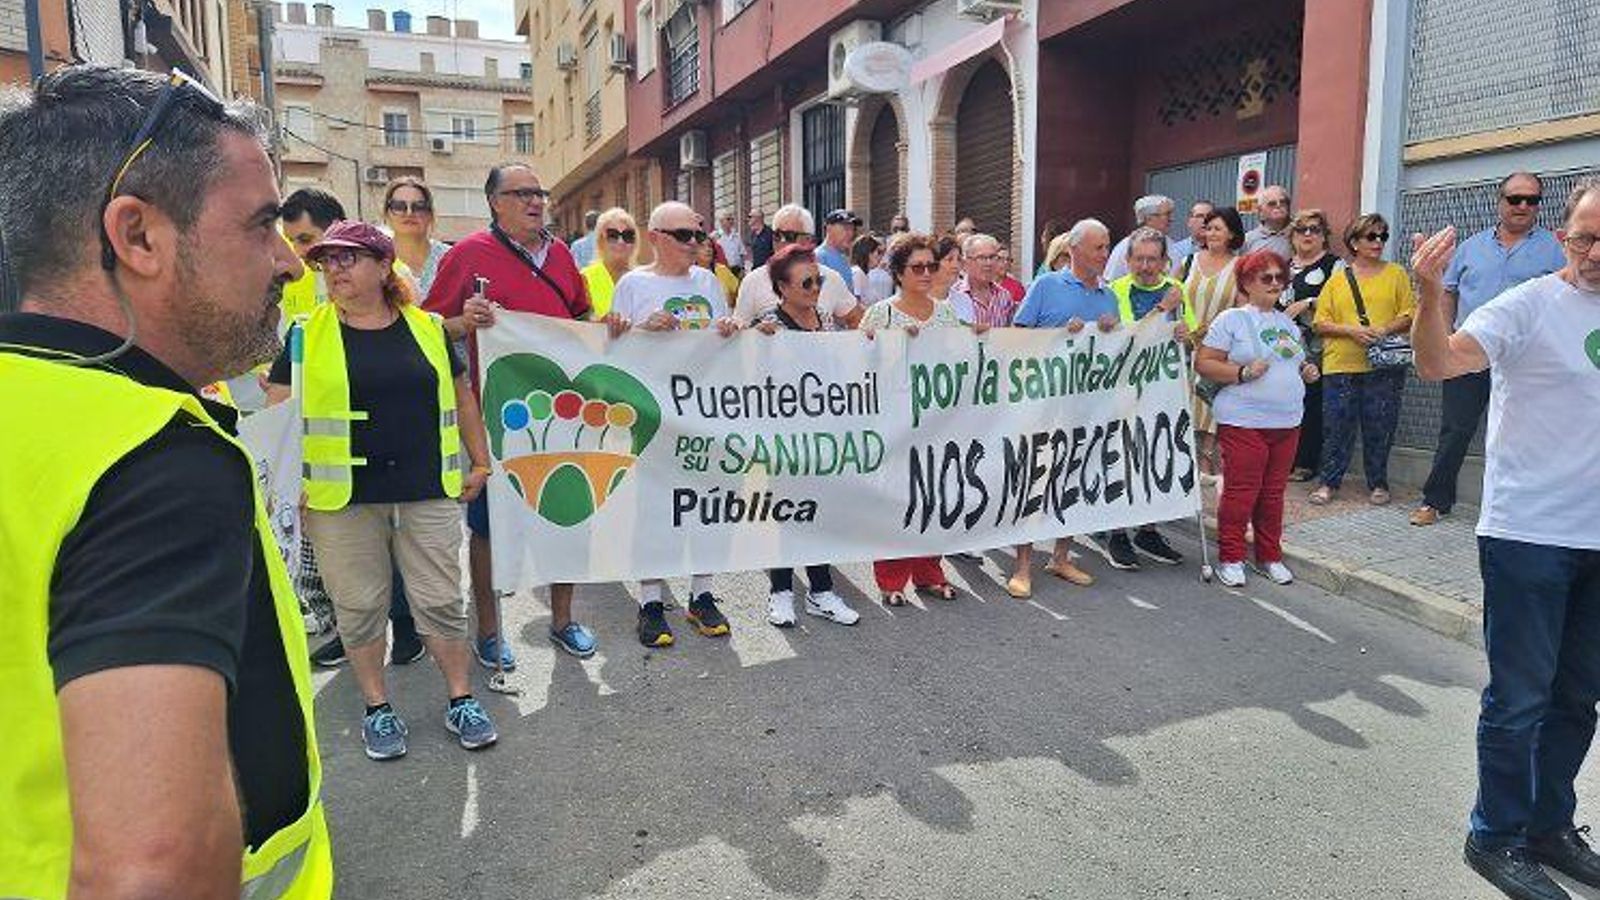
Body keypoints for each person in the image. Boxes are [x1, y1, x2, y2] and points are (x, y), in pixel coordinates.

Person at [0, 63, 331, 896]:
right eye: (261, 226)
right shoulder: (152, 458)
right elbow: (152, 870)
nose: (291, 264)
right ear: (137, 236)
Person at [1411, 179, 1600, 900]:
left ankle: (1550, 826)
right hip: (1529, 535)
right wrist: (1430, 294)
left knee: (1578, 697)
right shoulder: (1528, 306)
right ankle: (1494, 836)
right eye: (1583, 237)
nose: (1592, 253)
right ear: (1561, 234)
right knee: (1521, 698)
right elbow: (1437, 363)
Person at [266, 222, 497, 760]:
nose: (334, 270)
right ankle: (377, 706)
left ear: (382, 265)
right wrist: (285, 485)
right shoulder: (304, 335)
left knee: (440, 600)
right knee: (360, 606)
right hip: (341, 500)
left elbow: (462, 397)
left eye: (349, 258)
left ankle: (460, 698)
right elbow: (279, 413)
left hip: (426, 489)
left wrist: (481, 460)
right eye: (328, 261)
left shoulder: (428, 328)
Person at [423, 162, 596, 665]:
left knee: (569, 515)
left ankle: (563, 619)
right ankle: (491, 632)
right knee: (489, 527)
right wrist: (461, 321)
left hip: (565, 410)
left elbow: (582, 318)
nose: (535, 201)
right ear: (494, 202)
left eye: (539, 193)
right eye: (520, 194)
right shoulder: (469, 255)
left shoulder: (561, 255)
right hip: (498, 413)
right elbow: (429, 328)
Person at [603, 202, 737, 646]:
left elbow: (723, 339)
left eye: (700, 235)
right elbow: (613, 349)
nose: (696, 244)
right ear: (656, 236)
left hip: (703, 412)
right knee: (653, 509)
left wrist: (737, 329)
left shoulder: (708, 281)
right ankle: (651, 601)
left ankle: (702, 595)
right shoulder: (633, 283)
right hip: (652, 415)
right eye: (685, 235)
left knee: (706, 504)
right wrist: (639, 328)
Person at [1411, 172, 1566, 527]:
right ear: (1500, 202)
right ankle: (1435, 501)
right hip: (1468, 354)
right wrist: (1446, 338)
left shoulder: (1555, 249)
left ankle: (1531, 509)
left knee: (1529, 433)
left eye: (1532, 200)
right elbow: (1447, 293)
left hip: (1526, 361)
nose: (1523, 206)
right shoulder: (1470, 247)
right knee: (1455, 429)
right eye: (1515, 199)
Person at [1005, 219, 1121, 596]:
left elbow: (1118, 353)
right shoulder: (1045, 285)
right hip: (1041, 406)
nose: (1105, 254)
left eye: (1106, 247)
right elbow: (1016, 339)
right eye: (1098, 247)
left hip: (1086, 409)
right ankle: (1022, 565)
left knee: (1073, 478)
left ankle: (1061, 556)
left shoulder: (1109, 296)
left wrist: (1110, 331)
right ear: (1073, 250)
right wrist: (1057, 335)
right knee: (1033, 483)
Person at [1194, 250, 1321, 587]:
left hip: (1288, 421)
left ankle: (1269, 555)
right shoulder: (1231, 320)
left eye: (1281, 277)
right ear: (1247, 282)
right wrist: (1242, 372)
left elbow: (1293, 361)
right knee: (1241, 491)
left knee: (1273, 493)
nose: (1276, 284)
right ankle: (1232, 557)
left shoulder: (1287, 324)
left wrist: (1306, 369)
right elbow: (1204, 363)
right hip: (1243, 420)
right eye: (1267, 278)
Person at [750, 244, 862, 627]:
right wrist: (752, 344)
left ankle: (821, 590)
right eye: (807, 282)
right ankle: (781, 592)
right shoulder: (768, 326)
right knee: (783, 514)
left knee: (820, 513)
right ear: (782, 287)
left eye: (819, 280)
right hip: (782, 439)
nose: (816, 288)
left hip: (822, 437)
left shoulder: (828, 320)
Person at [859, 234, 968, 606]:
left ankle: (929, 571)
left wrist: (979, 340)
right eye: (917, 267)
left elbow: (961, 363)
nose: (926, 273)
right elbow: (861, 368)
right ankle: (891, 578)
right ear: (898, 273)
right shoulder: (881, 314)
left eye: (931, 266)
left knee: (934, 495)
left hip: (937, 422)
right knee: (895, 499)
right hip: (894, 424)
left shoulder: (947, 314)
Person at [1089, 227, 1194, 570]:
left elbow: (1188, 336)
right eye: (1139, 259)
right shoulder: (1114, 291)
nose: (1146, 266)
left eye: (1153, 259)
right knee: (1121, 457)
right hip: (1120, 392)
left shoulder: (1177, 290)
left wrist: (1184, 333)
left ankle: (1148, 530)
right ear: (1128, 260)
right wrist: (1163, 310)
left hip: (1161, 393)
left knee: (1155, 455)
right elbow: (1129, 339)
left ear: (1165, 261)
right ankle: (1117, 533)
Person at [1308, 213, 1414, 506]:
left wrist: (1383, 329)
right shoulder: (1338, 280)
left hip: (1383, 364)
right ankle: (1329, 482)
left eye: (1382, 236)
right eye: (1371, 236)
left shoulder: (1396, 274)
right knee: (1336, 426)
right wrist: (1351, 331)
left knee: (1380, 425)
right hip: (1341, 363)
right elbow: (1320, 323)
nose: (1378, 242)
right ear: (1354, 242)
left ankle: (1378, 482)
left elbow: (1409, 313)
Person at [1281, 209, 1342, 482]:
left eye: (1314, 230)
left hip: (1317, 346)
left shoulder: (1334, 265)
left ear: (1324, 236)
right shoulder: (1281, 266)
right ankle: (1285, 460)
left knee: (1312, 402)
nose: (1307, 235)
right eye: (1301, 229)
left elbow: (1342, 300)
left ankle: (1306, 462)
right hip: (1282, 344)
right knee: (1284, 399)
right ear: (1291, 235)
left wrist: (1308, 303)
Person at [1186, 206, 1246, 479]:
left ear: (1232, 233)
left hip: (1217, 350)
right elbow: (1169, 294)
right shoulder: (1188, 261)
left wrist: (1217, 329)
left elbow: (1243, 312)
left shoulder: (1240, 267)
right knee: (1184, 404)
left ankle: (1206, 462)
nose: (1210, 233)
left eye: (1217, 228)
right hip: (1182, 348)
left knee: (1209, 407)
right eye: (1208, 228)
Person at [734, 203, 864, 327]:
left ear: (808, 240)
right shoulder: (753, 281)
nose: (781, 242)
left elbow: (858, 320)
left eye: (789, 236)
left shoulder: (831, 278)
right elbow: (740, 331)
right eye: (776, 236)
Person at [279, 187, 345, 320]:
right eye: (292, 241)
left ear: (337, 230)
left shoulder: (376, 278)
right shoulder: (290, 279)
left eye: (305, 240)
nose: (297, 252)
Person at [384, 176, 451, 296]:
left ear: (430, 214)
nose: (409, 213)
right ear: (387, 214)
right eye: (399, 206)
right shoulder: (376, 259)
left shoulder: (451, 258)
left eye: (418, 207)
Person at [948, 233, 1018, 326]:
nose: (988, 263)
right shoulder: (953, 296)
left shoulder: (1004, 296)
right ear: (966, 262)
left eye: (992, 257)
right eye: (981, 258)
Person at [580, 206, 638, 320]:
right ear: (601, 240)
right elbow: (579, 326)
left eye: (628, 236)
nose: (621, 242)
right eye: (613, 235)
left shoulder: (642, 276)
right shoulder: (585, 278)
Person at [1104, 194, 1175, 282]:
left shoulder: (1172, 245)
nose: (1171, 219)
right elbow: (1110, 282)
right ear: (1149, 218)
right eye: (1167, 214)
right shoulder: (1125, 247)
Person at [1243, 185, 1293, 257]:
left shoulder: (1299, 234)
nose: (1278, 205)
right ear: (1261, 211)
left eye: (1282, 202)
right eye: (1272, 203)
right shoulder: (1248, 240)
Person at [695, 230, 742, 307]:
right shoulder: (688, 272)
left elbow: (738, 294)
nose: (708, 249)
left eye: (710, 246)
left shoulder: (722, 270)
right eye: (702, 246)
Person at [816, 208, 861, 284]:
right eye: (846, 228)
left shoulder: (843, 258)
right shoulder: (819, 257)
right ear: (829, 228)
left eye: (853, 229)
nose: (851, 233)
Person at [850, 233, 888, 304]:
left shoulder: (864, 274)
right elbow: (856, 303)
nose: (880, 257)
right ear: (868, 253)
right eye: (878, 252)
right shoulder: (858, 273)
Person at [713, 208, 746, 275]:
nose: (731, 221)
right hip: (722, 271)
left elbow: (742, 254)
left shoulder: (737, 236)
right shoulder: (715, 236)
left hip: (737, 270)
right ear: (721, 221)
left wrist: (742, 268)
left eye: (732, 219)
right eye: (728, 219)